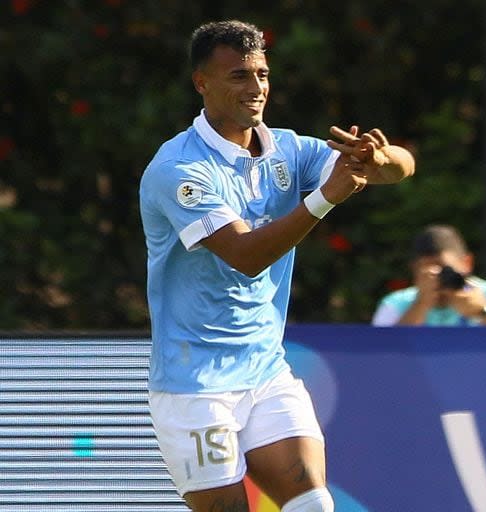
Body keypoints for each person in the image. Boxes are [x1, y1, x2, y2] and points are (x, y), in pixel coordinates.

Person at [139, 20, 414, 512]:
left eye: (262, 75)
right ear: (202, 83)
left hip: (265, 370)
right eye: (239, 76)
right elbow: (246, 257)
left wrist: (377, 159)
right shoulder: (179, 169)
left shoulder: (286, 148)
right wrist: (324, 200)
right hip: (195, 385)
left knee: (314, 504)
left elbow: (400, 169)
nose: (257, 88)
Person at [371, 224, 486, 327]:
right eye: (427, 271)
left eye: (445, 270)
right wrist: (421, 305)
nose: (437, 279)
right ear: (414, 270)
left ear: (466, 263)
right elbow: (382, 358)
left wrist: (484, 311)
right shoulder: (395, 304)